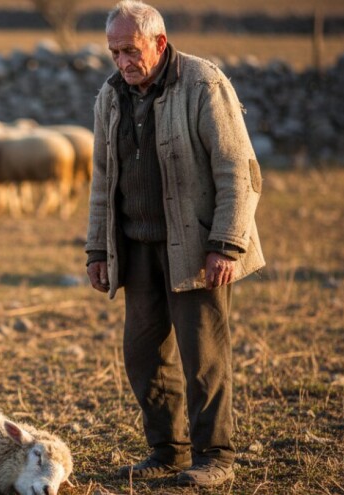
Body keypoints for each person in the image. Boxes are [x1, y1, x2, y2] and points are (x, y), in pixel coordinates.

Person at [84, 0, 266, 488]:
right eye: (114, 51)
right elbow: (103, 178)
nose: (122, 61)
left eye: (130, 49)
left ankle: (215, 457)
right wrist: (98, 249)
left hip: (195, 247)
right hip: (137, 246)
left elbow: (239, 170)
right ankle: (166, 450)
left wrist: (226, 244)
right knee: (143, 356)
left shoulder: (203, 84)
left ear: (159, 43)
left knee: (202, 355)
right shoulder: (110, 95)